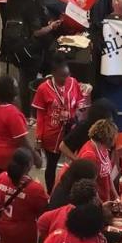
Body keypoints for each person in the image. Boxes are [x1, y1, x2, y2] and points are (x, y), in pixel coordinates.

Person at [5, 0, 62, 118]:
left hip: (16, 49)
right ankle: (32, 112)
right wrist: (52, 26)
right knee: (29, 81)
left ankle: (25, 110)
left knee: (24, 77)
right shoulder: (30, 6)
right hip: (31, 50)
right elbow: (37, 32)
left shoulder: (12, 3)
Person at [32, 58, 87, 192]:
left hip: (71, 128)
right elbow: (39, 116)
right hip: (52, 133)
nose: (66, 78)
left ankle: (74, 190)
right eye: (62, 76)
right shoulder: (43, 89)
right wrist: (38, 139)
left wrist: (80, 107)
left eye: (67, 75)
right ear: (53, 74)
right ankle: (50, 192)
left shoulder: (73, 82)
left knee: (75, 160)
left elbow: (80, 99)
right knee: (52, 165)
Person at [58, 98, 116, 162]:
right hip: (86, 167)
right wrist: (77, 161)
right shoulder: (83, 127)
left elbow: (113, 149)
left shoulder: (110, 128)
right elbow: (63, 146)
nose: (109, 122)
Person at [76, 119, 119, 203]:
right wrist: (101, 206)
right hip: (95, 203)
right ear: (108, 137)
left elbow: (108, 176)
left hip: (106, 200)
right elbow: (89, 188)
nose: (115, 140)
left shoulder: (104, 149)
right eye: (114, 137)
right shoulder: (89, 155)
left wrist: (116, 197)